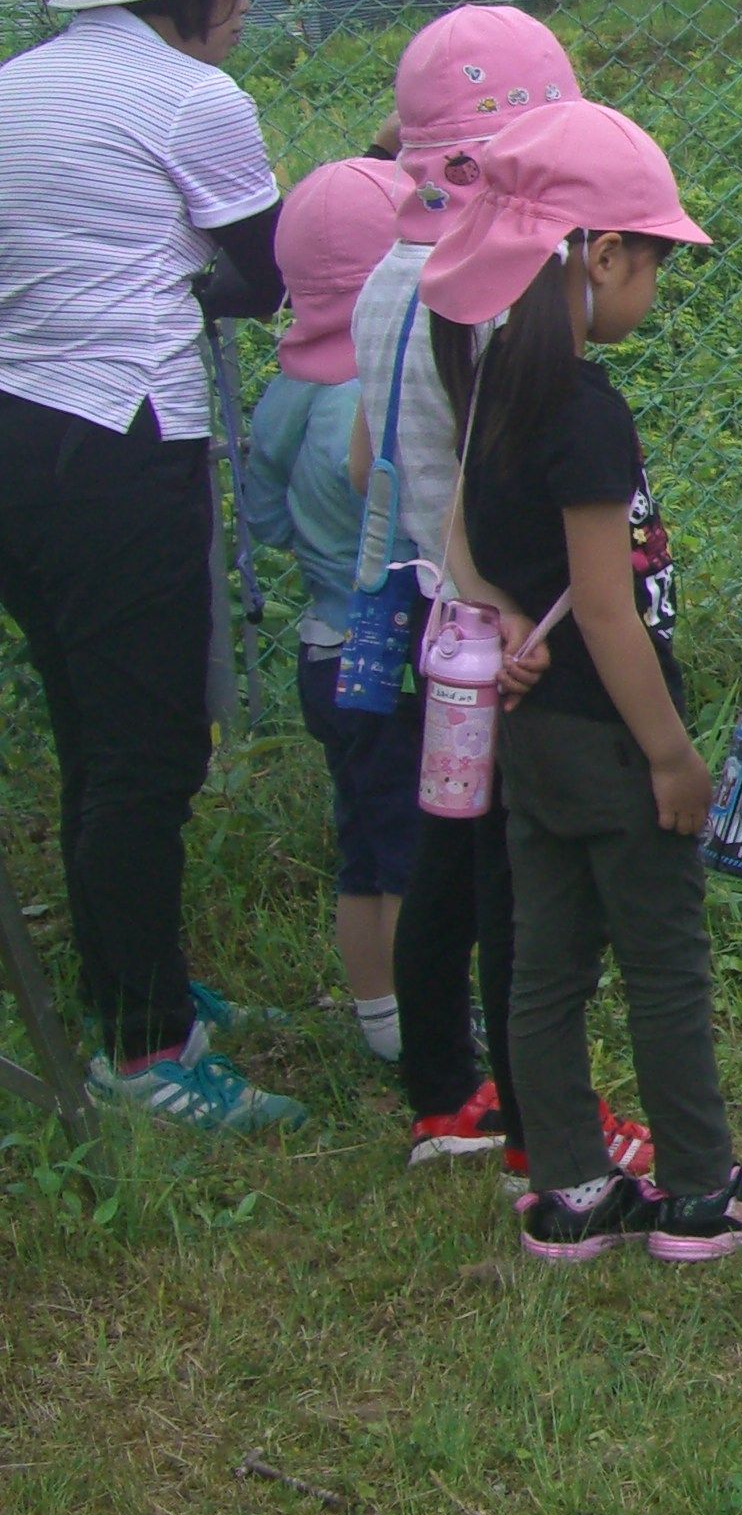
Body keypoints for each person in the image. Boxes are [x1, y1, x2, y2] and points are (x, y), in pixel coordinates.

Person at [0, 0, 302, 1129]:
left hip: (21, 437)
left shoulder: (17, 88)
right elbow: (265, 278)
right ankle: (147, 1054)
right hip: (126, 444)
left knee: (89, 725)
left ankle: (142, 979)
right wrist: (185, 275)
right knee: (149, 749)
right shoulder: (196, 103)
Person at [419, 102, 742, 1265]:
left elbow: (455, 536)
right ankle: (702, 1192)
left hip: (530, 747)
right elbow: (608, 610)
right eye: (652, 259)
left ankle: (567, 1188)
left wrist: (504, 616)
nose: (653, 283)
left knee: (547, 965)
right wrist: (671, 753)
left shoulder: (495, 377)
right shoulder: (586, 412)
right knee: (664, 960)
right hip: (612, 739)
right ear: (602, 254)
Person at [348, 5, 611, 1171]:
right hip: (489, 622)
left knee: (437, 856)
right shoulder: (487, 288)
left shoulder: (379, 280)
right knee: (516, 876)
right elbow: (496, 475)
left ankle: (444, 1089)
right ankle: (535, 1110)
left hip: (406, 605)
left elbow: (371, 458)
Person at [238, 158, 421, 1072]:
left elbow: (265, 520)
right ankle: (425, 1030)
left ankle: (377, 1016)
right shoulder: (379, 397)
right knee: (409, 848)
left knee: (361, 840)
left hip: (322, 644)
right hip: (393, 656)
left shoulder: (286, 396)